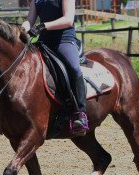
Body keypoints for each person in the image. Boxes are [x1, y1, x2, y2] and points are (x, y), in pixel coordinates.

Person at [21, 0, 89, 135]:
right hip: (43, 41)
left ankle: (80, 113)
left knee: (74, 68)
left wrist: (43, 26)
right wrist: (23, 28)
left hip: (64, 40)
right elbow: (30, 19)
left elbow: (68, 20)